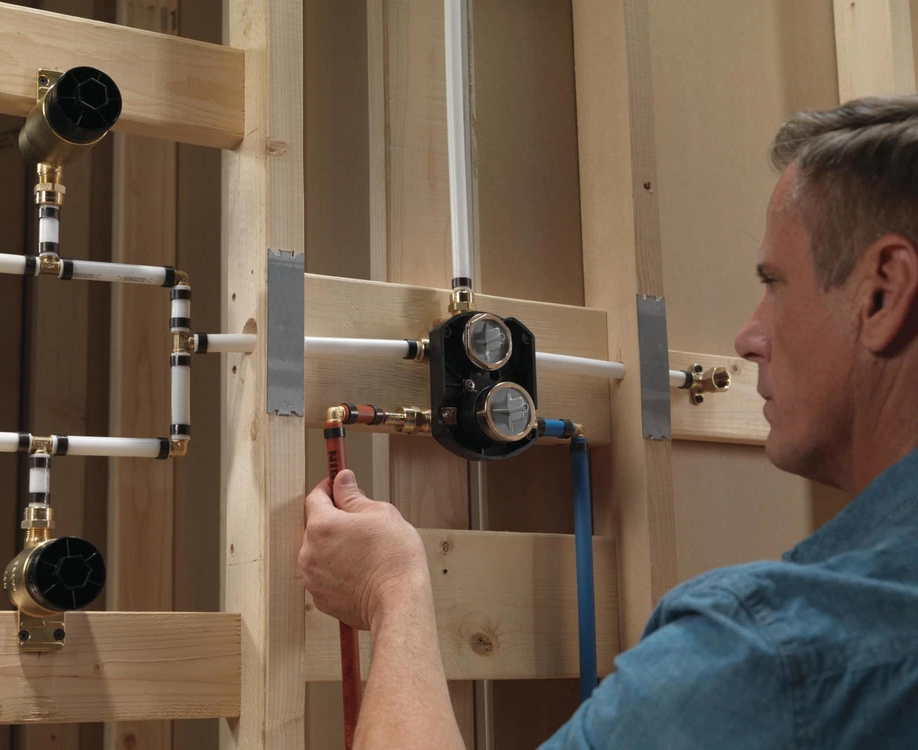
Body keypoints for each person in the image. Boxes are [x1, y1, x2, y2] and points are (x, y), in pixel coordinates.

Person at [299, 96, 918, 748]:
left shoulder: (771, 656)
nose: (748, 338)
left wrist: (391, 589)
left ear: (883, 291)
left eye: (775, 282)